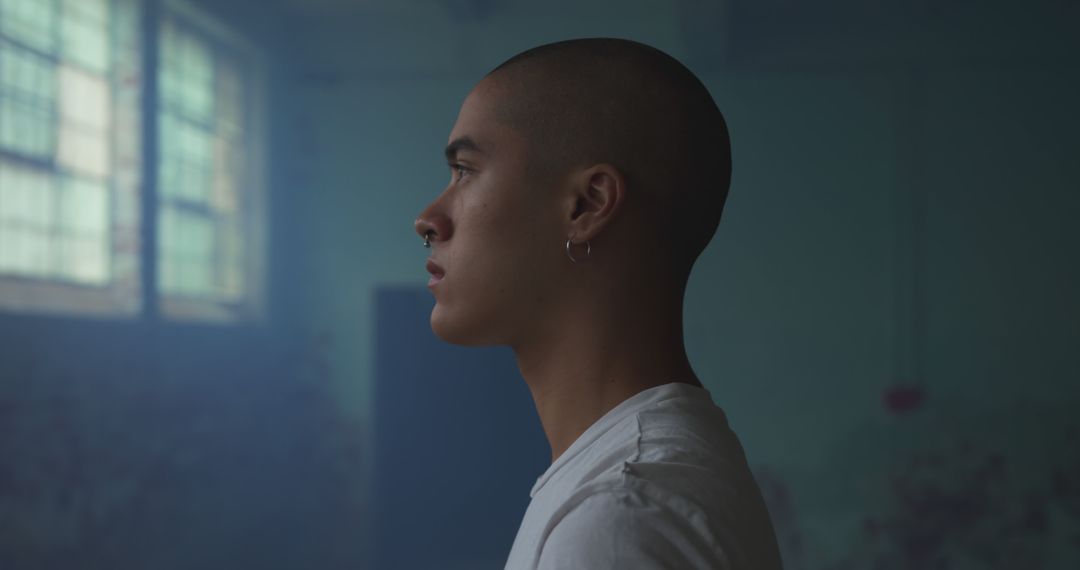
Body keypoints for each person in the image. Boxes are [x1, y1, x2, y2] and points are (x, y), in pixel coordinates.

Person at [413, 38, 783, 570]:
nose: (428, 219)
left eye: (465, 171)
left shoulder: (618, 521)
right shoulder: (636, 486)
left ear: (587, 206)